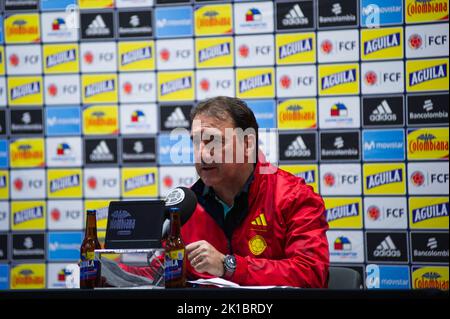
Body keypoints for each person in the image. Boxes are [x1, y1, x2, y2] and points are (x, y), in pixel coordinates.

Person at [182, 96, 329, 288]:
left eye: (214, 141)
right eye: (196, 142)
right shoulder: (186, 205)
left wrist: (229, 266)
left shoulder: (294, 197)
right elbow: (157, 270)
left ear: (248, 145)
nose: (202, 153)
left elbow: (310, 273)